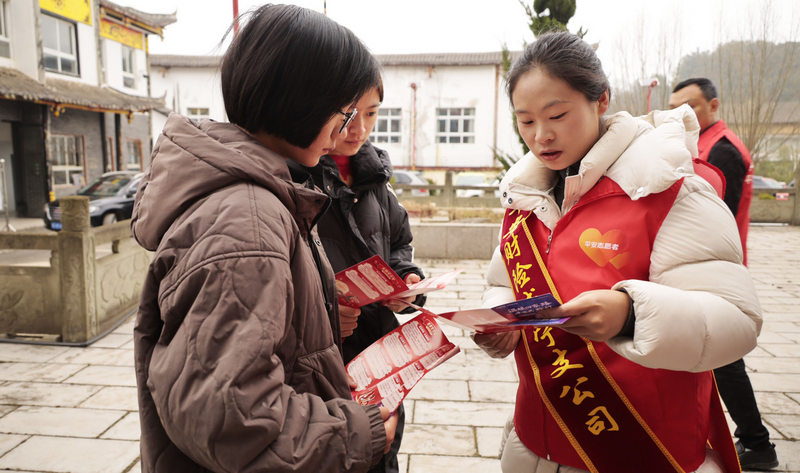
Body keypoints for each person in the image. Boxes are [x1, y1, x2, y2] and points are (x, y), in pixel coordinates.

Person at [474, 31, 762, 473]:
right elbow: (502, 283)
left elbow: (737, 320)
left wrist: (632, 315)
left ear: (601, 99)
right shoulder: (525, 195)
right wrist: (501, 321)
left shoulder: (670, 187)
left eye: (557, 115)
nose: (541, 135)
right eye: (525, 121)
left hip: (639, 444)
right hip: (536, 439)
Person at [131, 5, 397, 472]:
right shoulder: (247, 219)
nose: (344, 132)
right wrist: (360, 431)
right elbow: (232, 417)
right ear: (302, 102)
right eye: (344, 112)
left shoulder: (265, 195)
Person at [287, 78, 426, 473]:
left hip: (380, 349)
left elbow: (399, 241)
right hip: (326, 354)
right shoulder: (300, 176)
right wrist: (324, 304)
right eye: (348, 114)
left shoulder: (376, 181)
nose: (358, 128)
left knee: (384, 446)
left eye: (371, 114)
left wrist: (408, 280)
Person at [670, 79, 778, 471]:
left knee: (724, 358)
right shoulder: (702, 145)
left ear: (713, 105)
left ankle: (757, 443)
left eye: (691, 107)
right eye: (675, 109)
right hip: (703, 265)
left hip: (713, 269)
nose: (682, 116)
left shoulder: (723, 151)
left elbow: (715, 218)